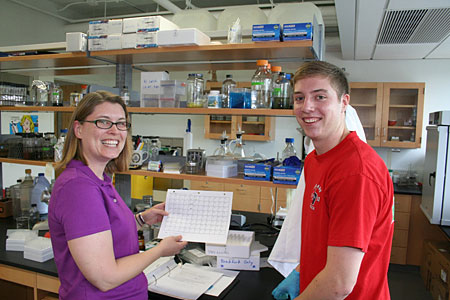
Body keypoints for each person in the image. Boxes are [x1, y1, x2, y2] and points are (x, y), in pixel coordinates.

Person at [272, 61, 394, 299]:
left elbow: (339, 284)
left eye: (319, 97)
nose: (307, 107)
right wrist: (301, 271)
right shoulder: (315, 159)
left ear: (343, 103)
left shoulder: (356, 172)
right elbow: (323, 239)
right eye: (299, 98)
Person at [48, 91, 187, 299]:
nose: (115, 131)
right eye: (103, 122)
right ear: (78, 129)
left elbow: (102, 231)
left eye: (121, 124)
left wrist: (141, 219)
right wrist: (159, 250)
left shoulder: (99, 178)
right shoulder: (78, 188)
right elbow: (105, 277)